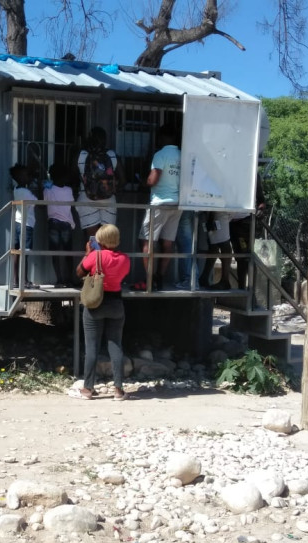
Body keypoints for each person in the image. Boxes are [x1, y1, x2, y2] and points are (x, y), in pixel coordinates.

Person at [75, 224, 130, 400]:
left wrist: (87, 253)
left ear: (100, 239)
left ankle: (88, 389)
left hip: (95, 304)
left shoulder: (95, 256)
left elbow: (78, 272)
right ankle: (118, 390)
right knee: (116, 345)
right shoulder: (125, 259)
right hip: (116, 304)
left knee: (92, 347)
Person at [133, 124, 181, 291]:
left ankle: (149, 279)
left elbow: (153, 180)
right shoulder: (183, 155)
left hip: (159, 203)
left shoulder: (160, 155)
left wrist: (143, 182)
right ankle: (160, 277)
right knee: (168, 243)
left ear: (162, 138)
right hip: (177, 203)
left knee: (146, 241)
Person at [76, 126, 123, 237]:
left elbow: (72, 177)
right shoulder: (112, 155)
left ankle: (93, 254)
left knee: (92, 238)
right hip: (109, 199)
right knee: (108, 238)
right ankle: (106, 255)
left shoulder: (81, 155)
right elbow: (124, 180)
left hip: (86, 198)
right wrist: (112, 191)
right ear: (105, 140)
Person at [44, 163, 76, 287]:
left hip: (53, 223)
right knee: (68, 253)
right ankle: (70, 279)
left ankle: (59, 279)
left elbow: (44, 201)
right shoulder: (68, 190)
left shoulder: (48, 189)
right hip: (66, 224)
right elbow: (71, 204)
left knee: (55, 253)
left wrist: (47, 186)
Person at [11, 163, 39, 289]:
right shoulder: (25, 191)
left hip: (18, 222)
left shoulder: (16, 189)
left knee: (17, 252)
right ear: (21, 177)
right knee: (25, 253)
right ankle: (25, 280)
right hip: (26, 224)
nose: (29, 177)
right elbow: (36, 202)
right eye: (27, 175)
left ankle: (17, 280)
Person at [198, 211, 233, 290]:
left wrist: (211, 217)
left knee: (223, 243)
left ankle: (225, 280)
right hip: (215, 210)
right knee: (213, 244)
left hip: (219, 210)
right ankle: (204, 276)